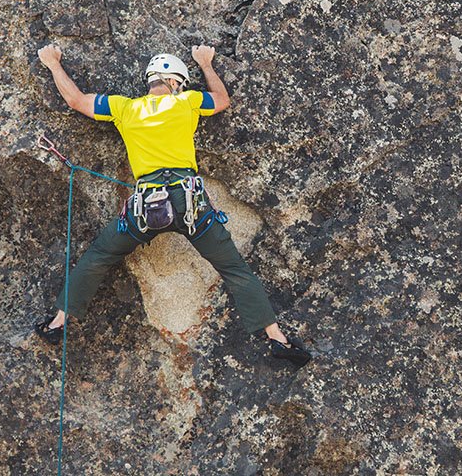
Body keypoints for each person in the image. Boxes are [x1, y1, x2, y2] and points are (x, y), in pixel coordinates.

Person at [33, 43, 311, 368]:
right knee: (234, 269)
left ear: (151, 80)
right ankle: (278, 338)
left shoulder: (124, 108)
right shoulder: (187, 101)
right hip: (189, 203)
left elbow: (75, 100)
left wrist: (53, 63)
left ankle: (58, 324)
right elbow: (222, 100)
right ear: (176, 82)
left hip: (147, 207)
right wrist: (206, 64)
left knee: (99, 255)